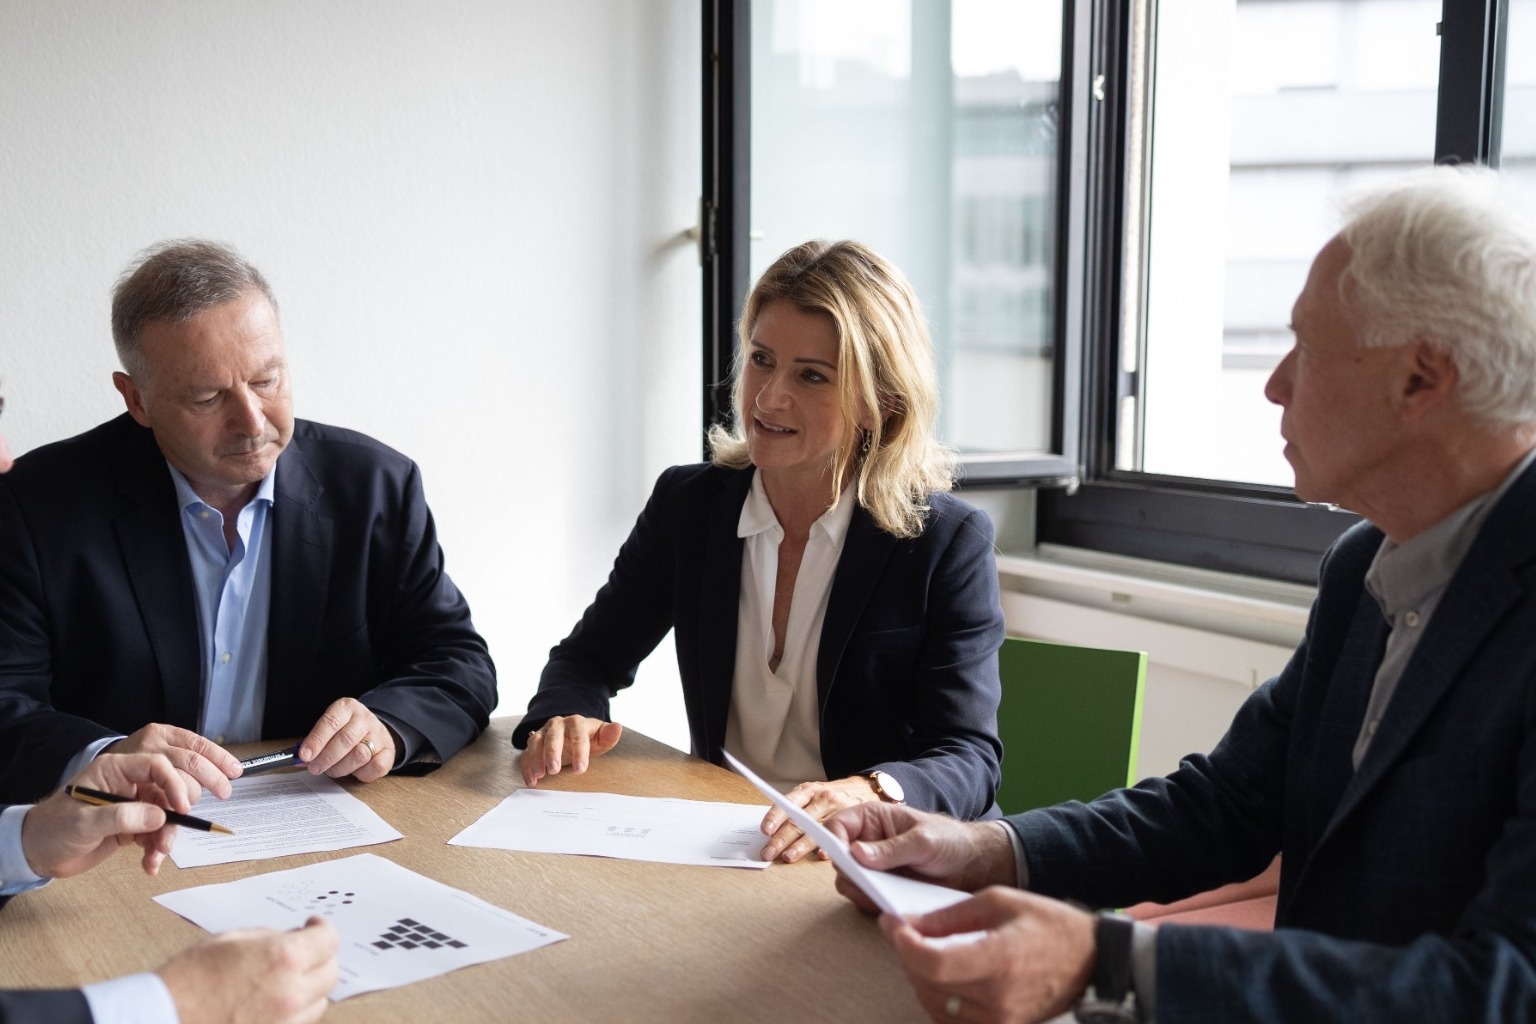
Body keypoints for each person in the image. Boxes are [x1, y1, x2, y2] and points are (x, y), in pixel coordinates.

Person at [824, 165, 1536, 1023]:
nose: (1275, 383)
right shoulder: (1363, 568)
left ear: (1421, 379)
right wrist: (981, 849)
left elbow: (1503, 988)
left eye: (1306, 347)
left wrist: (1111, 961)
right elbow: (1227, 805)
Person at [515, 239, 1005, 862]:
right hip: (733, 845)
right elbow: (586, 660)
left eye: (812, 375)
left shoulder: (944, 541)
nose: (769, 397)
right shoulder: (689, 507)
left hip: (877, 860)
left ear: (879, 402)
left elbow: (968, 756)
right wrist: (565, 715)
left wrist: (870, 790)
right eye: (761, 359)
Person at [0, 240, 498, 805]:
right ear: (136, 399)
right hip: (116, 828)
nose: (252, 422)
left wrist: (389, 724)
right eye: (208, 397)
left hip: (313, 815)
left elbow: (458, 661)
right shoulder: (34, 505)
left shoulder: (376, 488)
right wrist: (104, 757)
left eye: (266, 381)